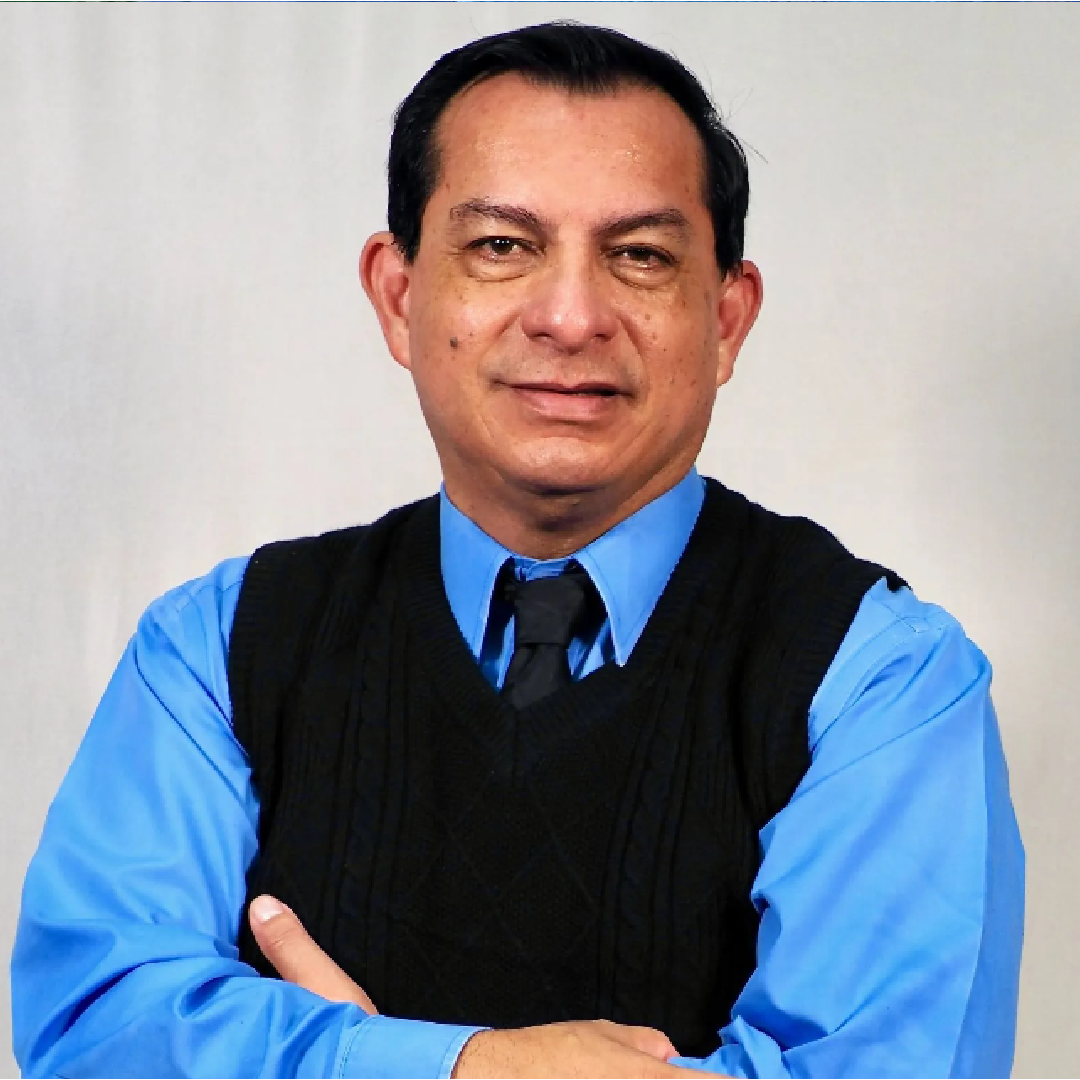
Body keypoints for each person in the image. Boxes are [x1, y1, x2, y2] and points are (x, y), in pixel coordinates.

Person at [11, 21, 1023, 1080]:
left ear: (727, 318)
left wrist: (327, 1057)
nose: (572, 314)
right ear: (399, 297)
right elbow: (94, 1033)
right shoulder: (217, 651)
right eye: (502, 245)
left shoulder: (881, 682)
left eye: (639, 255)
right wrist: (464, 1067)